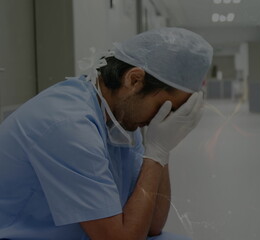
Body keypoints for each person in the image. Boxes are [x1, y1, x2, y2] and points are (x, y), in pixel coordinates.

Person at [0, 27, 213, 240]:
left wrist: (160, 152)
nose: (162, 120)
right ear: (134, 80)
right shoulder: (69, 125)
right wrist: (156, 153)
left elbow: (152, 226)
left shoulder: (122, 122)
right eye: (163, 108)